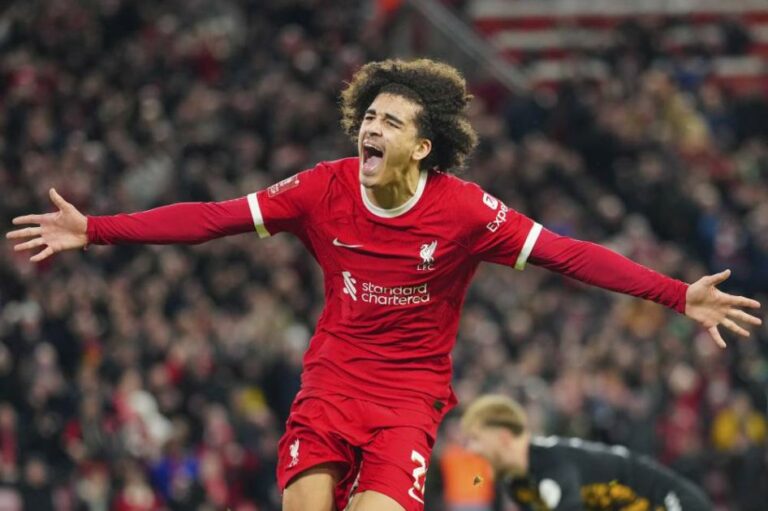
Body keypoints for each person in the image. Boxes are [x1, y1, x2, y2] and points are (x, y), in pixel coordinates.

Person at [6, 59, 762, 511]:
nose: (371, 127)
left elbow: (568, 254)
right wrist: (95, 228)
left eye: (391, 121)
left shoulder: (467, 212)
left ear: (422, 146)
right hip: (330, 386)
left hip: (407, 402)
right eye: (368, 116)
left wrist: (677, 294)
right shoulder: (322, 188)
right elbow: (212, 218)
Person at [461, 394, 713, 511]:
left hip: (672, 502)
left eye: (475, 439)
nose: (470, 449)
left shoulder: (550, 462)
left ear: (504, 437)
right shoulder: (516, 483)